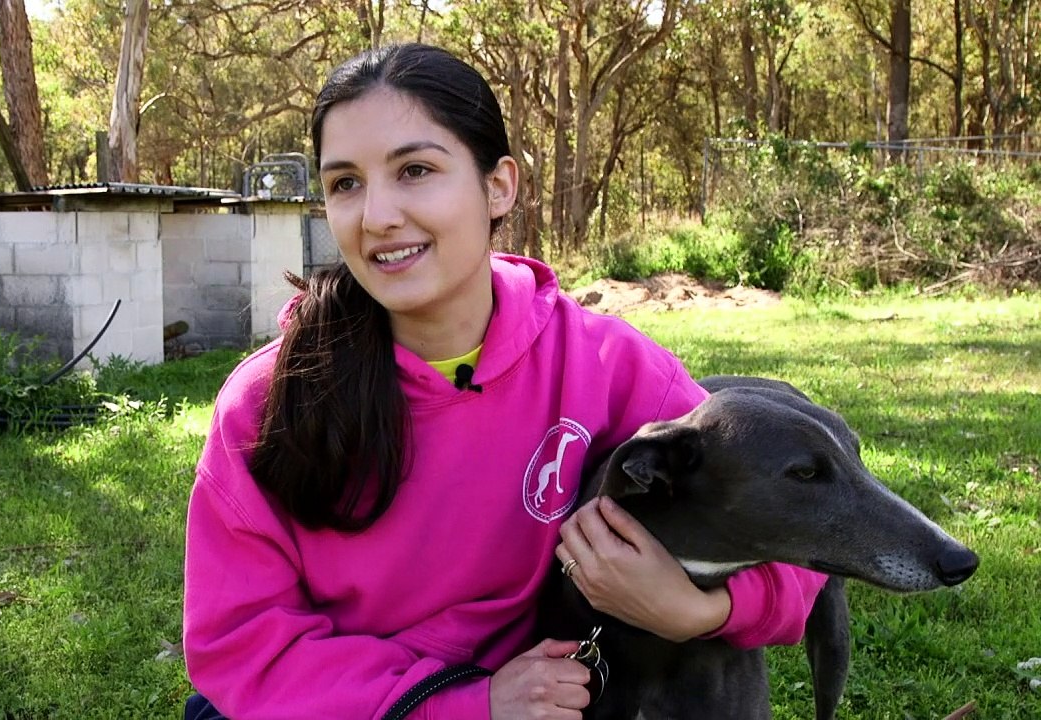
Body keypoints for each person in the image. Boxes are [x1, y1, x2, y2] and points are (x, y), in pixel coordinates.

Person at [182, 43, 827, 720]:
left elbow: (800, 531)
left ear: (499, 186)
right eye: (345, 183)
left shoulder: (605, 366)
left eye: (415, 170)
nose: (376, 216)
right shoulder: (267, 402)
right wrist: (471, 705)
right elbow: (242, 645)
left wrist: (698, 610)